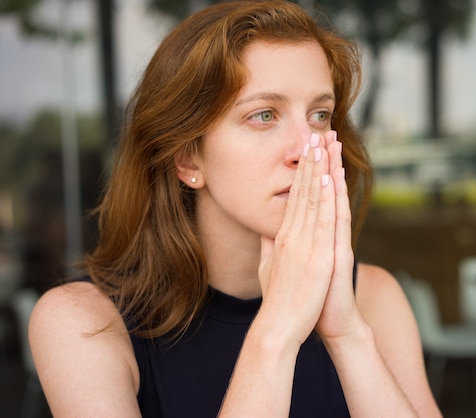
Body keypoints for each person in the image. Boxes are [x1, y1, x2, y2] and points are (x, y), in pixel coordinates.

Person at [28, 1, 441, 416]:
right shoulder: (81, 322)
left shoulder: (373, 297)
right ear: (189, 158)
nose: (306, 148)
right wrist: (277, 330)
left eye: (320, 115)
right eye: (264, 115)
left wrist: (348, 334)